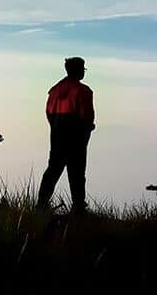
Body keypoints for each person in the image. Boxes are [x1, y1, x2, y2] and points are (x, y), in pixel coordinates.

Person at [37, 57, 95, 214]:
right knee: (77, 174)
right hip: (76, 137)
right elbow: (87, 116)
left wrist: (56, 128)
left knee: (53, 170)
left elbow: (49, 113)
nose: (84, 72)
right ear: (78, 70)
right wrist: (87, 130)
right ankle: (78, 209)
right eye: (83, 69)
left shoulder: (55, 91)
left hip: (57, 135)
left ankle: (41, 205)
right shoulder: (83, 91)